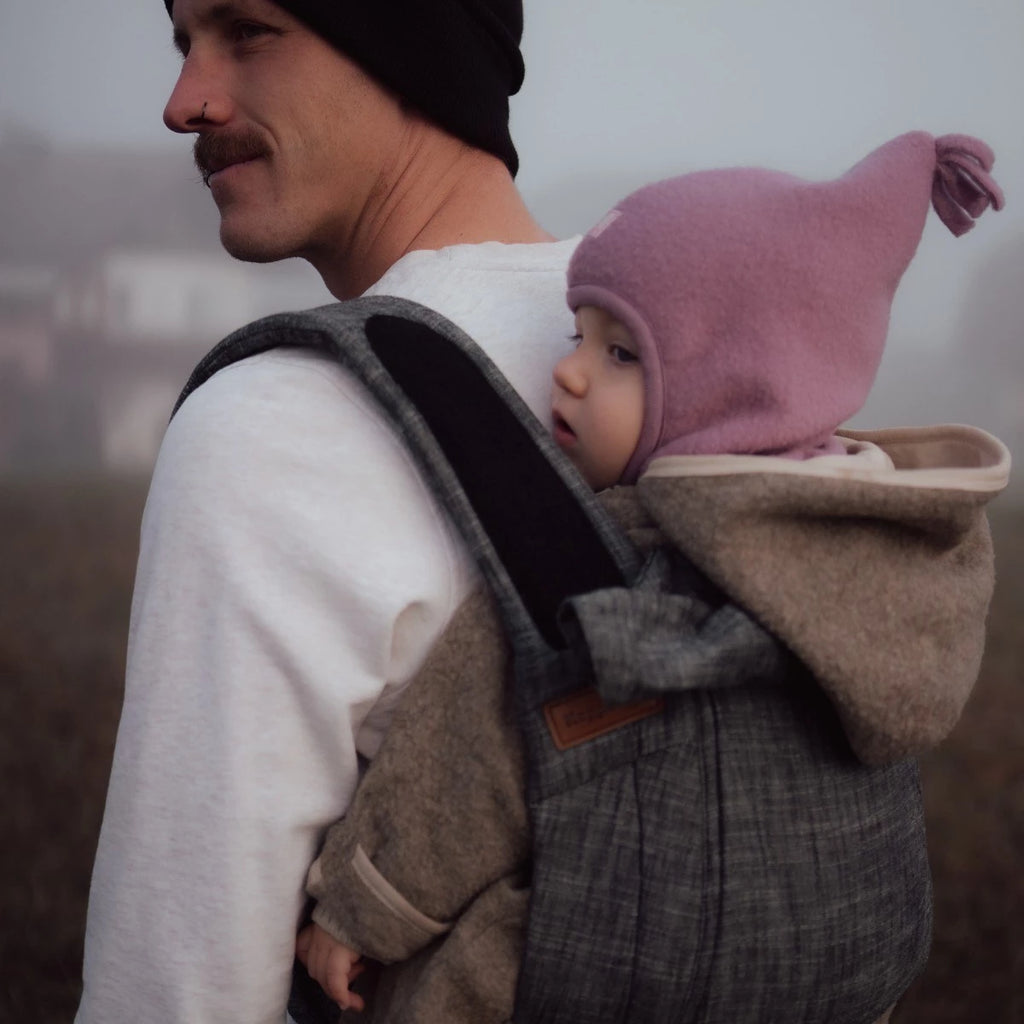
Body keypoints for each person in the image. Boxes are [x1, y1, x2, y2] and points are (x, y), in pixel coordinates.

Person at [292, 132, 1009, 1023]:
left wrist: (361, 909)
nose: (569, 369)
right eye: (577, 332)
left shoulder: (609, 563)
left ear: (731, 387)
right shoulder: (892, 551)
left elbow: (469, 751)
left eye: (622, 353)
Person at [75, 1, 582, 1022]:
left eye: (248, 30)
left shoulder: (277, 429)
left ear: (416, 44)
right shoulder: (686, 350)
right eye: (183, 43)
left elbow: (180, 989)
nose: (184, 102)